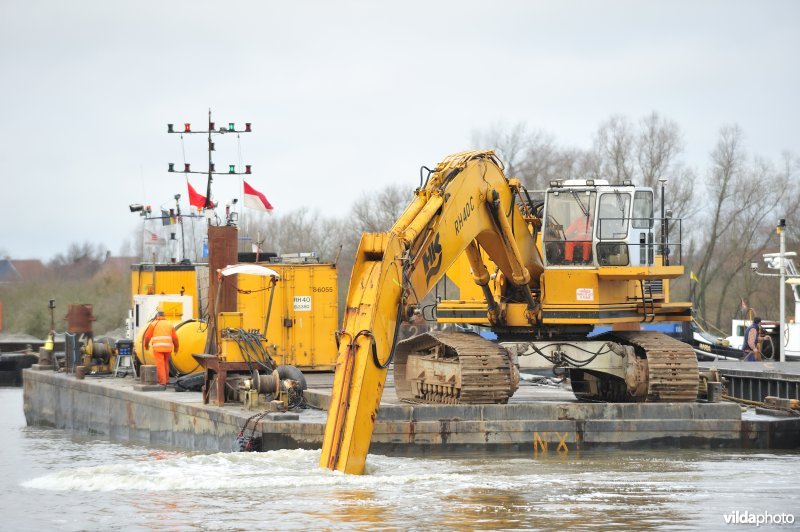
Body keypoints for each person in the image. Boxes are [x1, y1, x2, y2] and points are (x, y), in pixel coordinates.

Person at [143, 311, 179, 386]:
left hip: (158, 348)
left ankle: (162, 382)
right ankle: (167, 380)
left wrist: (146, 345)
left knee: (160, 364)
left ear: (157, 316)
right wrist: (176, 347)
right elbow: (175, 338)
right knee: (165, 363)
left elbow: (147, 337)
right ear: (164, 316)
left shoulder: (153, 324)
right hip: (168, 348)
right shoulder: (170, 324)